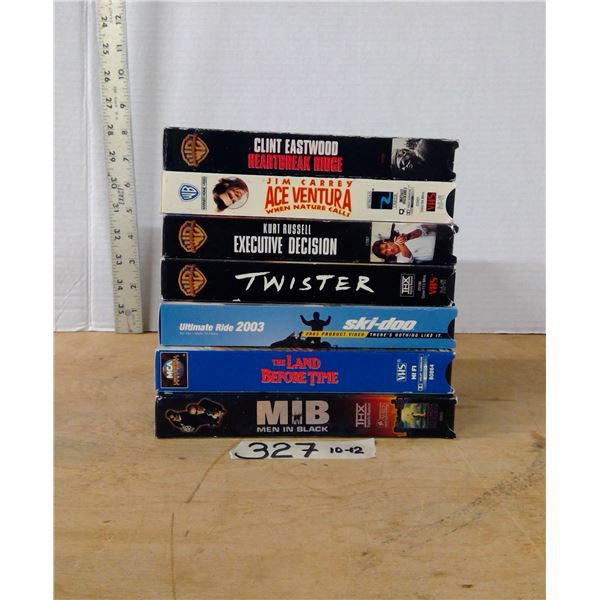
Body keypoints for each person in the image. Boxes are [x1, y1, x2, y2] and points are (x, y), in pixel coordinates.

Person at [371, 224, 436, 263]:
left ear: (387, 242)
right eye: (386, 252)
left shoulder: (403, 231)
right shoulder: (400, 260)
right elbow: (408, 257)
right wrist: (401, 244)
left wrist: (408, 236)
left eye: (386, 246)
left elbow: (424, 228)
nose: (390, 249)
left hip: (439, 238)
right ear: (387, 256)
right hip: (439, 256)